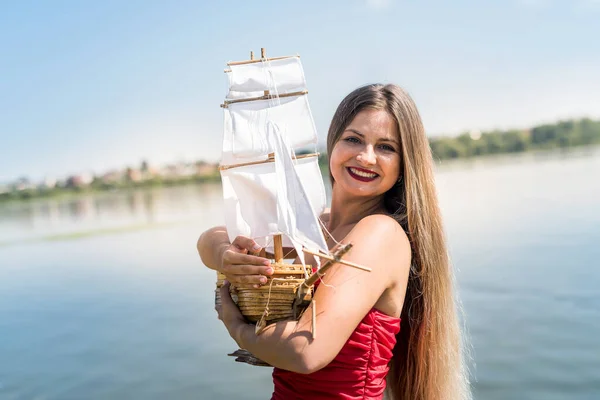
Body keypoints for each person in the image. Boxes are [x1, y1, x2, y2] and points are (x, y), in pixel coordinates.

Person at [197, 84, 471, 400]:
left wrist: (237, 327)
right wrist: (225, 255)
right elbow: (209, 239)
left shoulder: (380, 233)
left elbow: (304, 350)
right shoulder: (316, 228)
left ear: (403, 164)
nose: (366, 157)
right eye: (353, 139)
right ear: (333, 143)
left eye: (386, 147)